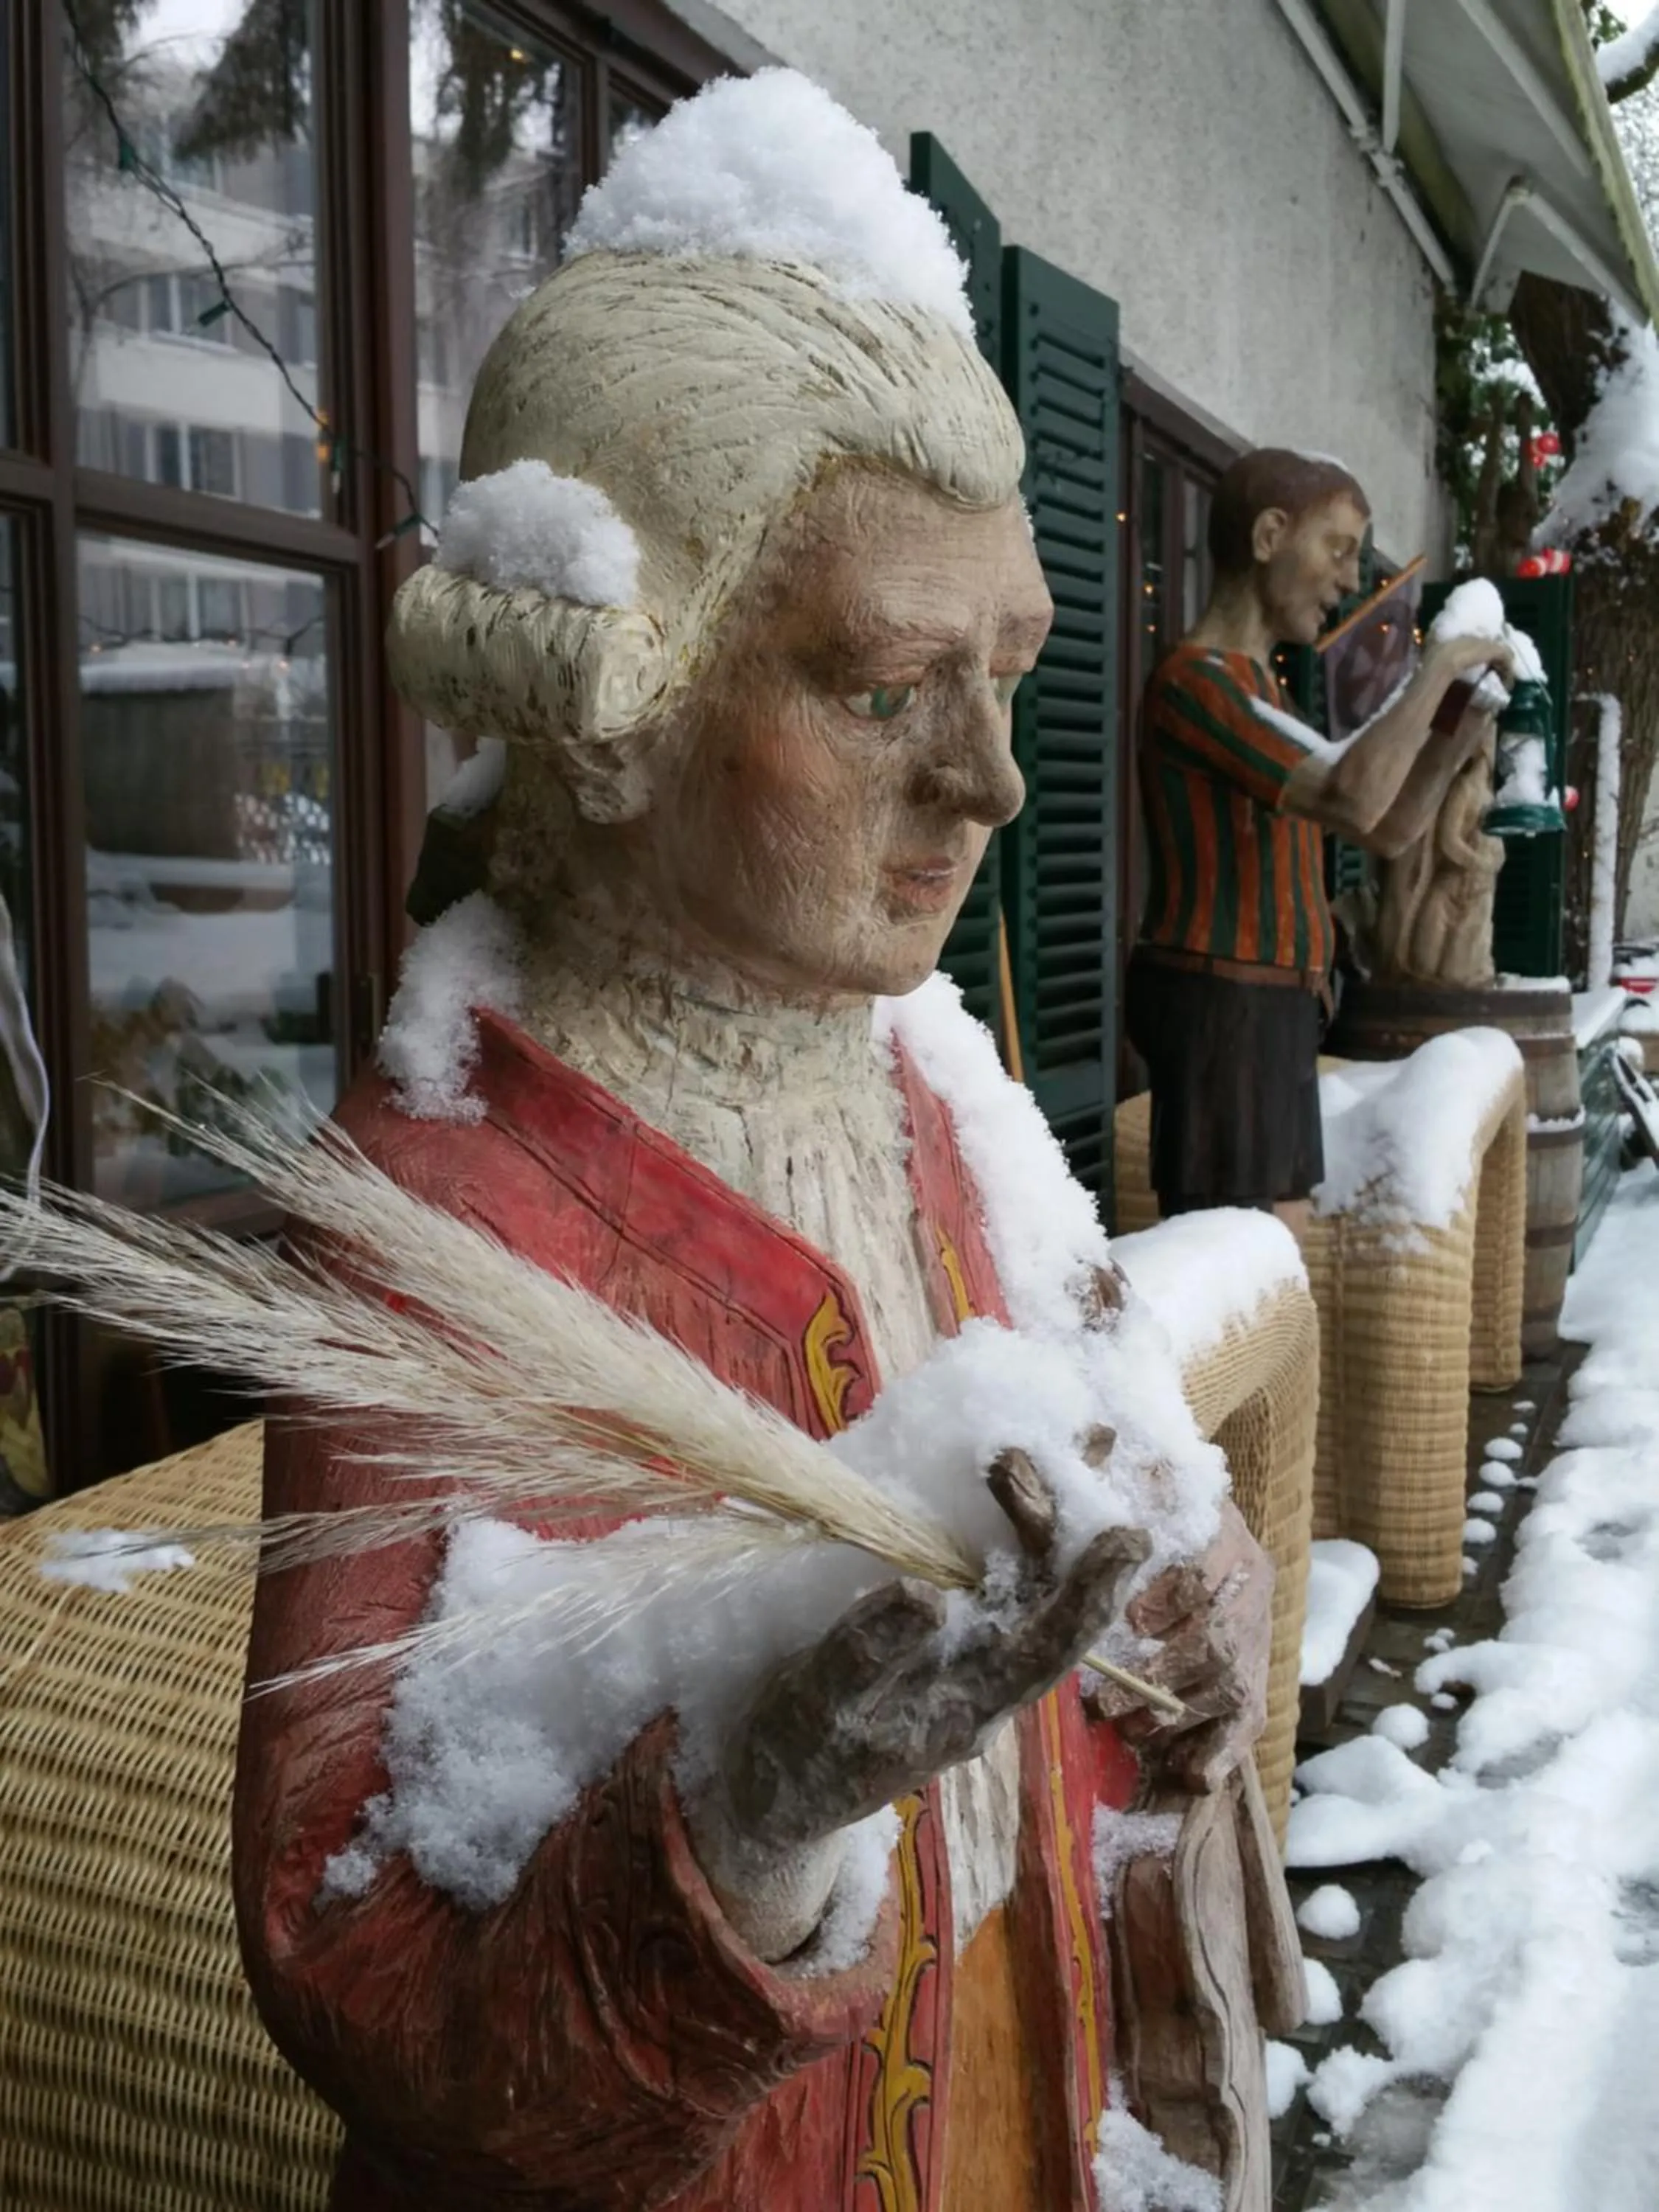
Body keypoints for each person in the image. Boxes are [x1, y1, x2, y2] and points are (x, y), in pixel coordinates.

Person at [232, 74, 1287, 2212]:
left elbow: (1100, 1452)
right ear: (616, 712)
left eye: (1009, 671)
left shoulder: (933, 1078)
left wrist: (1190, 1587)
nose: (991, 781)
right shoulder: (455, 1208)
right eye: (889, 684)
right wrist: (749, 1811)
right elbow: (348, 1943)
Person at [1127, 448, 1512, 1236]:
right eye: (1338, 549)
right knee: (1237, 1249)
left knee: (1276, 1238)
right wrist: (1433, 668)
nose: (1347, 580)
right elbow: (1353, 792)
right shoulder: (1198, 684)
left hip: (1271, 1004)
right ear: (1270, 535)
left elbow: (1388, 824)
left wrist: (1459, 723)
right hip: (1223, 997)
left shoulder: (1269, 692)